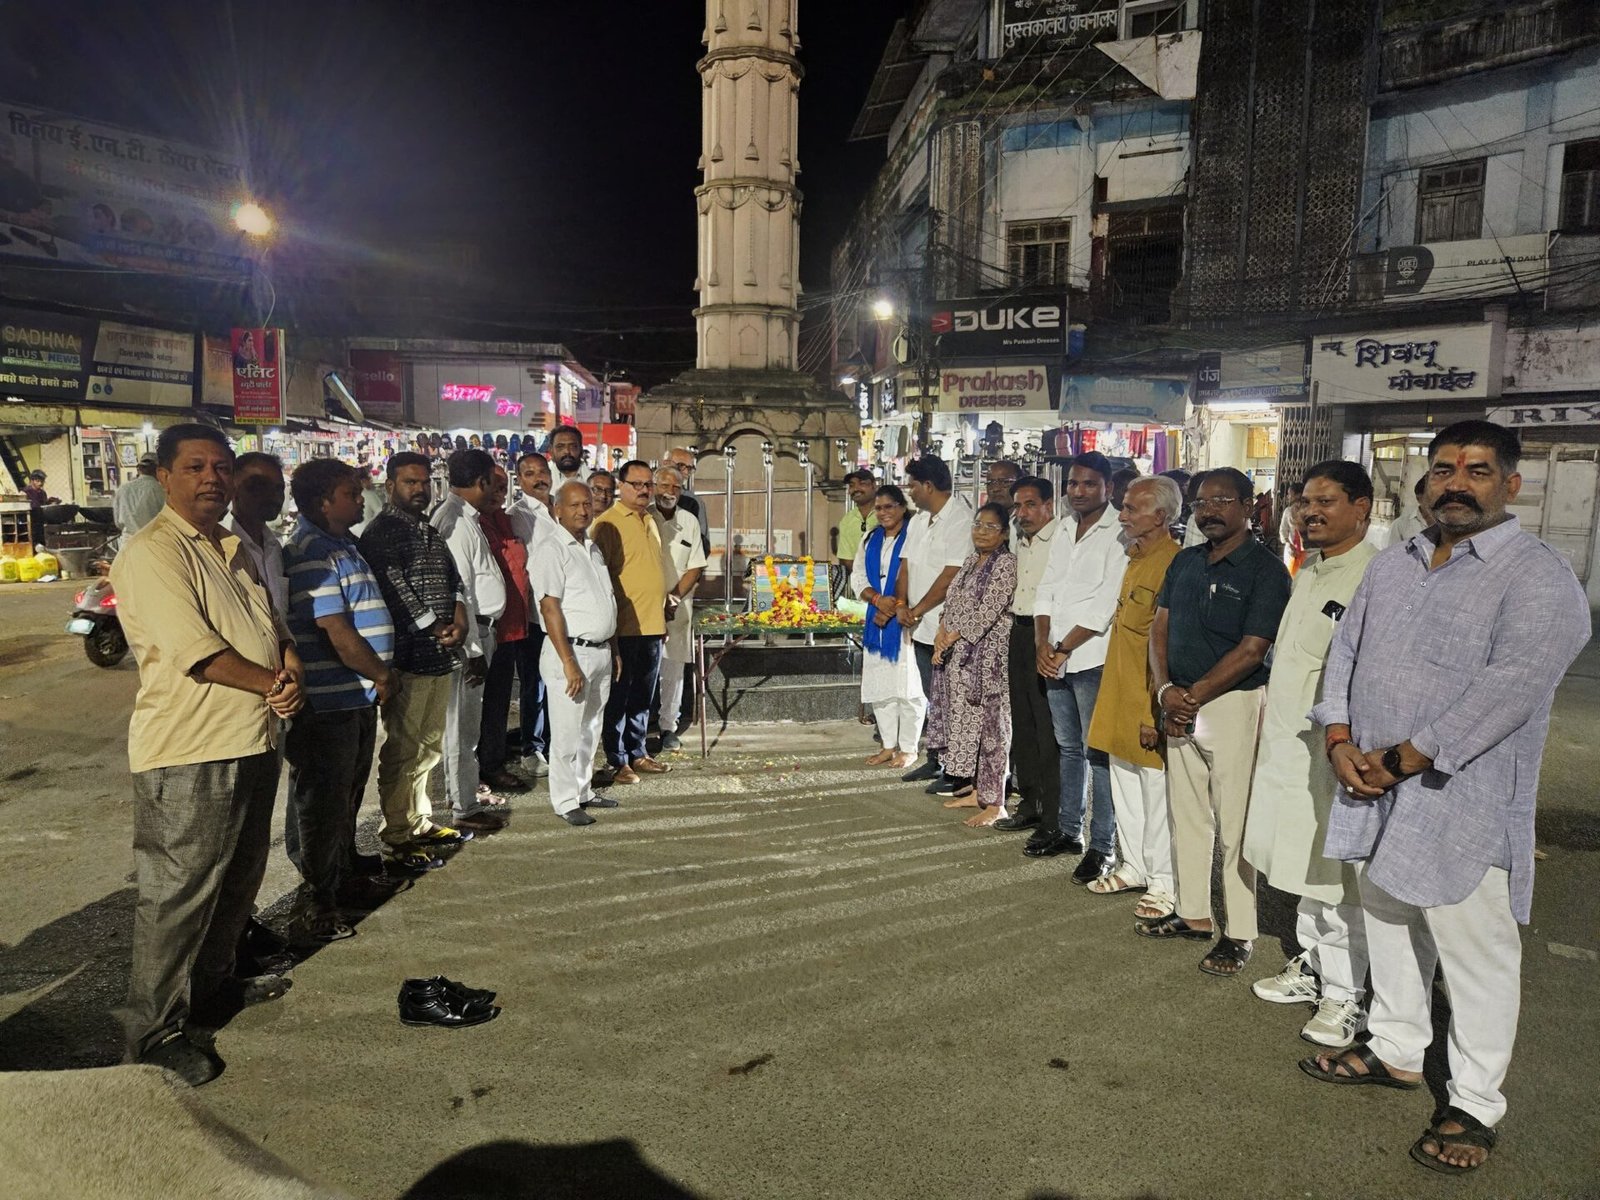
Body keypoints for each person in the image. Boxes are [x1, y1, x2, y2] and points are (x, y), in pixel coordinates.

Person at [1302, 421, 1589, 1177]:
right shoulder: (1393, 563)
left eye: (1480, 470)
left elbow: (1512, 688)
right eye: (1445, 469)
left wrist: (1402, 758)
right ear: (1426, 482)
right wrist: (1337, 736)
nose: (1458, 482)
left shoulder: (1536, 575)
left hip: (1461, 790)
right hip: (1368, 776)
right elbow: (1347, 653)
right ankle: (1398, 1046)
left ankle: (1475, 1099)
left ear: (1510, 486)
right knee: (1389, 913)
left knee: (1475, 949)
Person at [110, 423, 303, 1086]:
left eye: (220, 467)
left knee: (239, 880)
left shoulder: (233, 546)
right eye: (195, 467)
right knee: (176, 895)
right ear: (164, 477)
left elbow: (272, 630)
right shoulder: (152, 552)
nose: (211, 479)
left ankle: (215, 986)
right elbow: (195, 650)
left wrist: (291, 669)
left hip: (252, 738)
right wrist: (272, 684)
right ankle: (152, 1033)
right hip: (189, 750)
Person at [1241, 460, 1378, 1049]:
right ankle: (1314, 967)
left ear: (1362, 508)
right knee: (1299, 862)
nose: (1310, 511)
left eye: (1327, 501)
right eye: (1305, 501)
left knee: (1334, 874)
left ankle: (1348, 994)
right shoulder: (1313, 570)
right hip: (1287, 746)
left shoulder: (1373, 576)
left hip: (1332, 751)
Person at [1140, 466, 1290, 977]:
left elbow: (1253, 650)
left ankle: (1241, 932)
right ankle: (1194, 914)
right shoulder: (1185, 563)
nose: (1210, 510)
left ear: (1249, 506)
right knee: (1187, 817)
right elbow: (1158, 628)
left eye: (1224, 500)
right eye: (1202, 501)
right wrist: (1165, 693)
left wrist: (1193, 696)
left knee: (1235, 824)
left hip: (1231, 705)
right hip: (1178, 702)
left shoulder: (1267, 571)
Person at [281, 459, 399, 944]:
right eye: (351, 492)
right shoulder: (310, 550)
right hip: (331, 699)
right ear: (323, 501)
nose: (360, 499)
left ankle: (344, 876)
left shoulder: (343, 544)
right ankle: (317, 900)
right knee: (322, 803)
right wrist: (379, 672)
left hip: (353, 695)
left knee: (347, 793)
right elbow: (336, 629)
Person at [358, 453, 475, 868]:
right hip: (407, 658)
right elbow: (394, 588)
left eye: (424, 482)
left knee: (429, 747)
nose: (419, 489)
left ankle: (419, 820)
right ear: (389, 485)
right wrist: (433, 627)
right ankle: (395, 835)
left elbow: (452, 577)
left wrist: (459, 612)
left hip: (438, 657)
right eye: (410, 482)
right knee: (403, 750)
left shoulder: (427, 529)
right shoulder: (381, 533)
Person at [1084, 475, 1184, 920]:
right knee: (1123, 780)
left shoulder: (1173, 565)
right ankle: (1135, 866)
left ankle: (1165, 882)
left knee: (1157, 794)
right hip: (1118, 691)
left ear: (1160, 517)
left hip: (1147, 699)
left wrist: (1153, 709)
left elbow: (1165, 646)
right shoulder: (1136, 559)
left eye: (1131, 509)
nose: (1122, 515)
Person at [1030, 452, 1125, 884]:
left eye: (1088, 484)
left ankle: (1102, 846)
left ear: (1107, 487)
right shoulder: (1065, 528)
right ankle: (1070, 831)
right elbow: (1046, 588)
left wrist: (1063, 647)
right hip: (1056, 655)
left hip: (1090, 657)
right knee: (1068, 748)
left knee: (1096, 753)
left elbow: (1107, 602)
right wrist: (1042, 645)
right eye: (1072, 483)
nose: (1078, 491)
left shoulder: (1120, 530)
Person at [533, 482, 621, 826]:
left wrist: (612, 648)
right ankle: (565, 799)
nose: (583, 510)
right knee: (567, 731)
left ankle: (583, 790)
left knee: (591, 727)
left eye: (587, 504)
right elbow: (549, 607)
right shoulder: (551, 549)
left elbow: (606, 600)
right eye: (574, 505)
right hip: (570, 653)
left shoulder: (592, 548)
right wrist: (568, 661)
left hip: (598, 652)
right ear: (557, 509)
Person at [430, 449, 509, 831]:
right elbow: (458, 592)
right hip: (470, 634)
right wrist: (474, 649)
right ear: (481, 482)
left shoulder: (466, 518)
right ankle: (463, 805)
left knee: (467, 724)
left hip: (480, 629)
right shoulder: (455, 522)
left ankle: (463, 795)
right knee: (461, 726)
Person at [928, 502, 1017, 827]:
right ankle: (978, 791)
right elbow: (952, 603)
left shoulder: (1005, 564)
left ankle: (996, 804)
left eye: (990, 526)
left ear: (1005, 533)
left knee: (994, 730)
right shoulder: (969, 562)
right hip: (959, 659)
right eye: (977, 524)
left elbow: (988, 611)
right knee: (972, 729)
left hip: (988, 661)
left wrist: (951, 637)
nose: (980, 531)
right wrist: (941, 630)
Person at [896, 456, 976, 785]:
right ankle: (936, 757)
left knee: (954, 698)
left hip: (946, 625)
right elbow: (906, 565)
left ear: (928, 486)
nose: (909, 491)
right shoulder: (918, 520)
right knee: (934, 695)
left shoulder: (960, 518)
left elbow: (952, 574)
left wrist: (918, 608)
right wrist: (902, 604)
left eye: (912, 485)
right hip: (917, 624)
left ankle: (959, 768)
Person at [592, 459, 672, 784]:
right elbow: (602, 579)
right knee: (618, 696)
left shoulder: (651, 520)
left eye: (647, 485)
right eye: (635, 484)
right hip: (624, 628)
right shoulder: (607, 523)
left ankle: (638, 752)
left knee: (643, 694)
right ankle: (617, 758)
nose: (642, 490)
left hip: (652, 627)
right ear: (621, 486)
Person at [992, 476, 1059, 835]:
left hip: (1045, 634)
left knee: (1047, 726)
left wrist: (1046, 641)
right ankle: (1029, 801)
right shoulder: (1020, 540)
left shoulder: (1061, 539)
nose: (1023, 513)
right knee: (1023, 722)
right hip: (1017, 631)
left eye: (1031, 504)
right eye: (1018, 506)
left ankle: (1054, 811)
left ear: (1049, 505)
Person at [851, 484, 923, 768]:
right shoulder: (870, 539)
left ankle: (909, 747)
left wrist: (893, 606)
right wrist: (877, 600)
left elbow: (917, 575)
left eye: (889, 506)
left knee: (908, 688)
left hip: (907, 621)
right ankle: (888, 745)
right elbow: (858, 576)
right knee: (880, 685)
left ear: (902, 507)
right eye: (879, 508)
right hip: (876, 619)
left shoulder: (914, 537)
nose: (883, 512)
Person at [477, 466, 533, 795]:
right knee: (479, 705)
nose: (498, 493)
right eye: (492, 486)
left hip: (512, 627)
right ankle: (482, 770)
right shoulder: (475, 524)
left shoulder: (504, 520)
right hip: (488, 630)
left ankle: (492, 763)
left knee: (497, 703)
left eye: (503, 487)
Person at [653, 466, 707, 751]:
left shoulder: (689, 521)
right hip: (645, 606)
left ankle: (667, 727)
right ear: (653, 486)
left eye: (676, 487)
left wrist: (672, 599)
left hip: (677, 608)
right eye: (664, 485)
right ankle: (638, 725)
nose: (669, 492)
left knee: (673, 671)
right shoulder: (644, 516)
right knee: (642, 670)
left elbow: (696, 565)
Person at [508, 452, 556, 778]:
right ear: (520, 479)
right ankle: (532, 747)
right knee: (534, 686)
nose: (538, 478)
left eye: (542, 471)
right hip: (537, 616)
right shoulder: (518, 515)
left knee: (560, 683)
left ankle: (555, 744)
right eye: (529, 473)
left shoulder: (561, 507)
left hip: (566, 614)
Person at [222, 453, 288, 617]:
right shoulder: (220, 545)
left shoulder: (275, 547)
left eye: (279, 488)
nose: (273, 496)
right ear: (234, 489)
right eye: (259, 486)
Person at [833, 468, 878, 589]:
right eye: (852, 486)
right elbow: (846, 559)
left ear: (874, 485)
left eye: (862, 484)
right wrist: (863, 581)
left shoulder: (886, 514)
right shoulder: (847, 521)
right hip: (860, 586)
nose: (856, 489)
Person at [664, 446, 711, 553]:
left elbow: (703, 544)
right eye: (680, 466)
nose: (685, 472)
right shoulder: (648, 494)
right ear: (666, 463)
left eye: (689, 468)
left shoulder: (694, 502)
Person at [113, 453, 164, 546]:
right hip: (152, 542)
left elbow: (118, 522)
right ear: (157, 470)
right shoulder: (159, 489)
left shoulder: (123, 488)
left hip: (127, 542)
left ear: (139, 470)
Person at [1383, 475, 1431, 549]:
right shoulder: (1400, 525)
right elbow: (1390, 556)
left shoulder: (1447, 527)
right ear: (1419, 498)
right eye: (1430, 495)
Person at [1279, 480, 1307, 574]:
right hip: (1292, 552)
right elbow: (1283, 532)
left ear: (1298, 495)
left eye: (1290, 494)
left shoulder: (1309, 510)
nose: (1288, 497)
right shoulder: (1288, 511)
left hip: (1307, 552)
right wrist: (1290, 545)